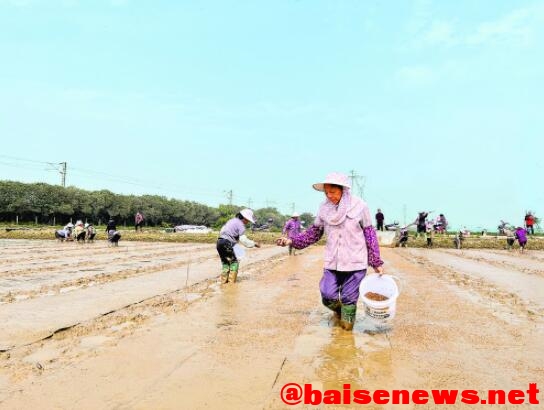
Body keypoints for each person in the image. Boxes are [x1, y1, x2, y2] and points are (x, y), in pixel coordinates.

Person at [276, 172, 384, 331]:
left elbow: (369, 233)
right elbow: (314, 232)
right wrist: (292, 240)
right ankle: (338, 311)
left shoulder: (359, 206)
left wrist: (376, 261)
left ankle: (347, 334)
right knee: (327, 295)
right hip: (332, 260)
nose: (329, 195)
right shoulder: (324, 209)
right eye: (326, 192)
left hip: (355, 261)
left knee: (348, 301)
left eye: (332, 192)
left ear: (343, 190)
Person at [216, 208, 261, 284]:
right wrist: (254, 244)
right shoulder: (241, 225)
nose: (247, 222)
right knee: (234, 262)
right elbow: (243, 240)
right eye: (247, 220)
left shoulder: (231, 221)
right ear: (244, 218)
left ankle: (223, 283)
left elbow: (224, 232)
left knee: (225, 263)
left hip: (219, 242)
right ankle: (231, 284)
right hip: (227, 243)